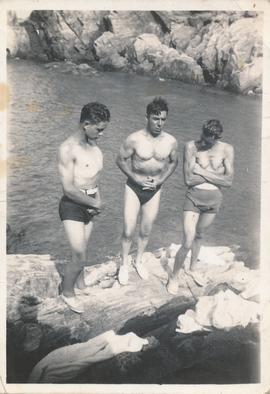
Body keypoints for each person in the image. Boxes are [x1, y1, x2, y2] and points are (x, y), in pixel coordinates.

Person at [166, 119, 234, 295]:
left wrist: (202, 171)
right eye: (202, 135)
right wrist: (217, 175)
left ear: (215, 137)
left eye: (207, 138)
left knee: (200, 235)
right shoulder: (191, 147)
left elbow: (229, 182)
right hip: (194, 198)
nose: (202, 140)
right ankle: (173, 277)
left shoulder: (227, 149)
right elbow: (188, 180)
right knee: (188, 239)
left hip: (214, 200)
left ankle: (192, 268)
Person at [116, 97, 178, 285]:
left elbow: (174, 162)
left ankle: (139, 259)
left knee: (146, 230)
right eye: (155, 118)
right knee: (128, 229)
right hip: (134, 188)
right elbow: (120, 159)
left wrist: (160, 179)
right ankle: (124, 263)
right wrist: (135, 177)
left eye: (163, 119)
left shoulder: (170, 141)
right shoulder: (134, 139)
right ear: (147, 117)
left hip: (154, 190)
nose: (159, 123)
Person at [58, 102, 110, 313]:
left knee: (83, 250)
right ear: (86, 124)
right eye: (99, 129)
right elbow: (69, 189)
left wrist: (97, 200)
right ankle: (67, 292)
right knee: (79, 256)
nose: (102, 134)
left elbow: (94, 180)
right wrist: (94, 202)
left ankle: (79, 284)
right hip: (71, 206)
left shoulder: (95, 148)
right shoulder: (67, 149)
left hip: (89, 205)